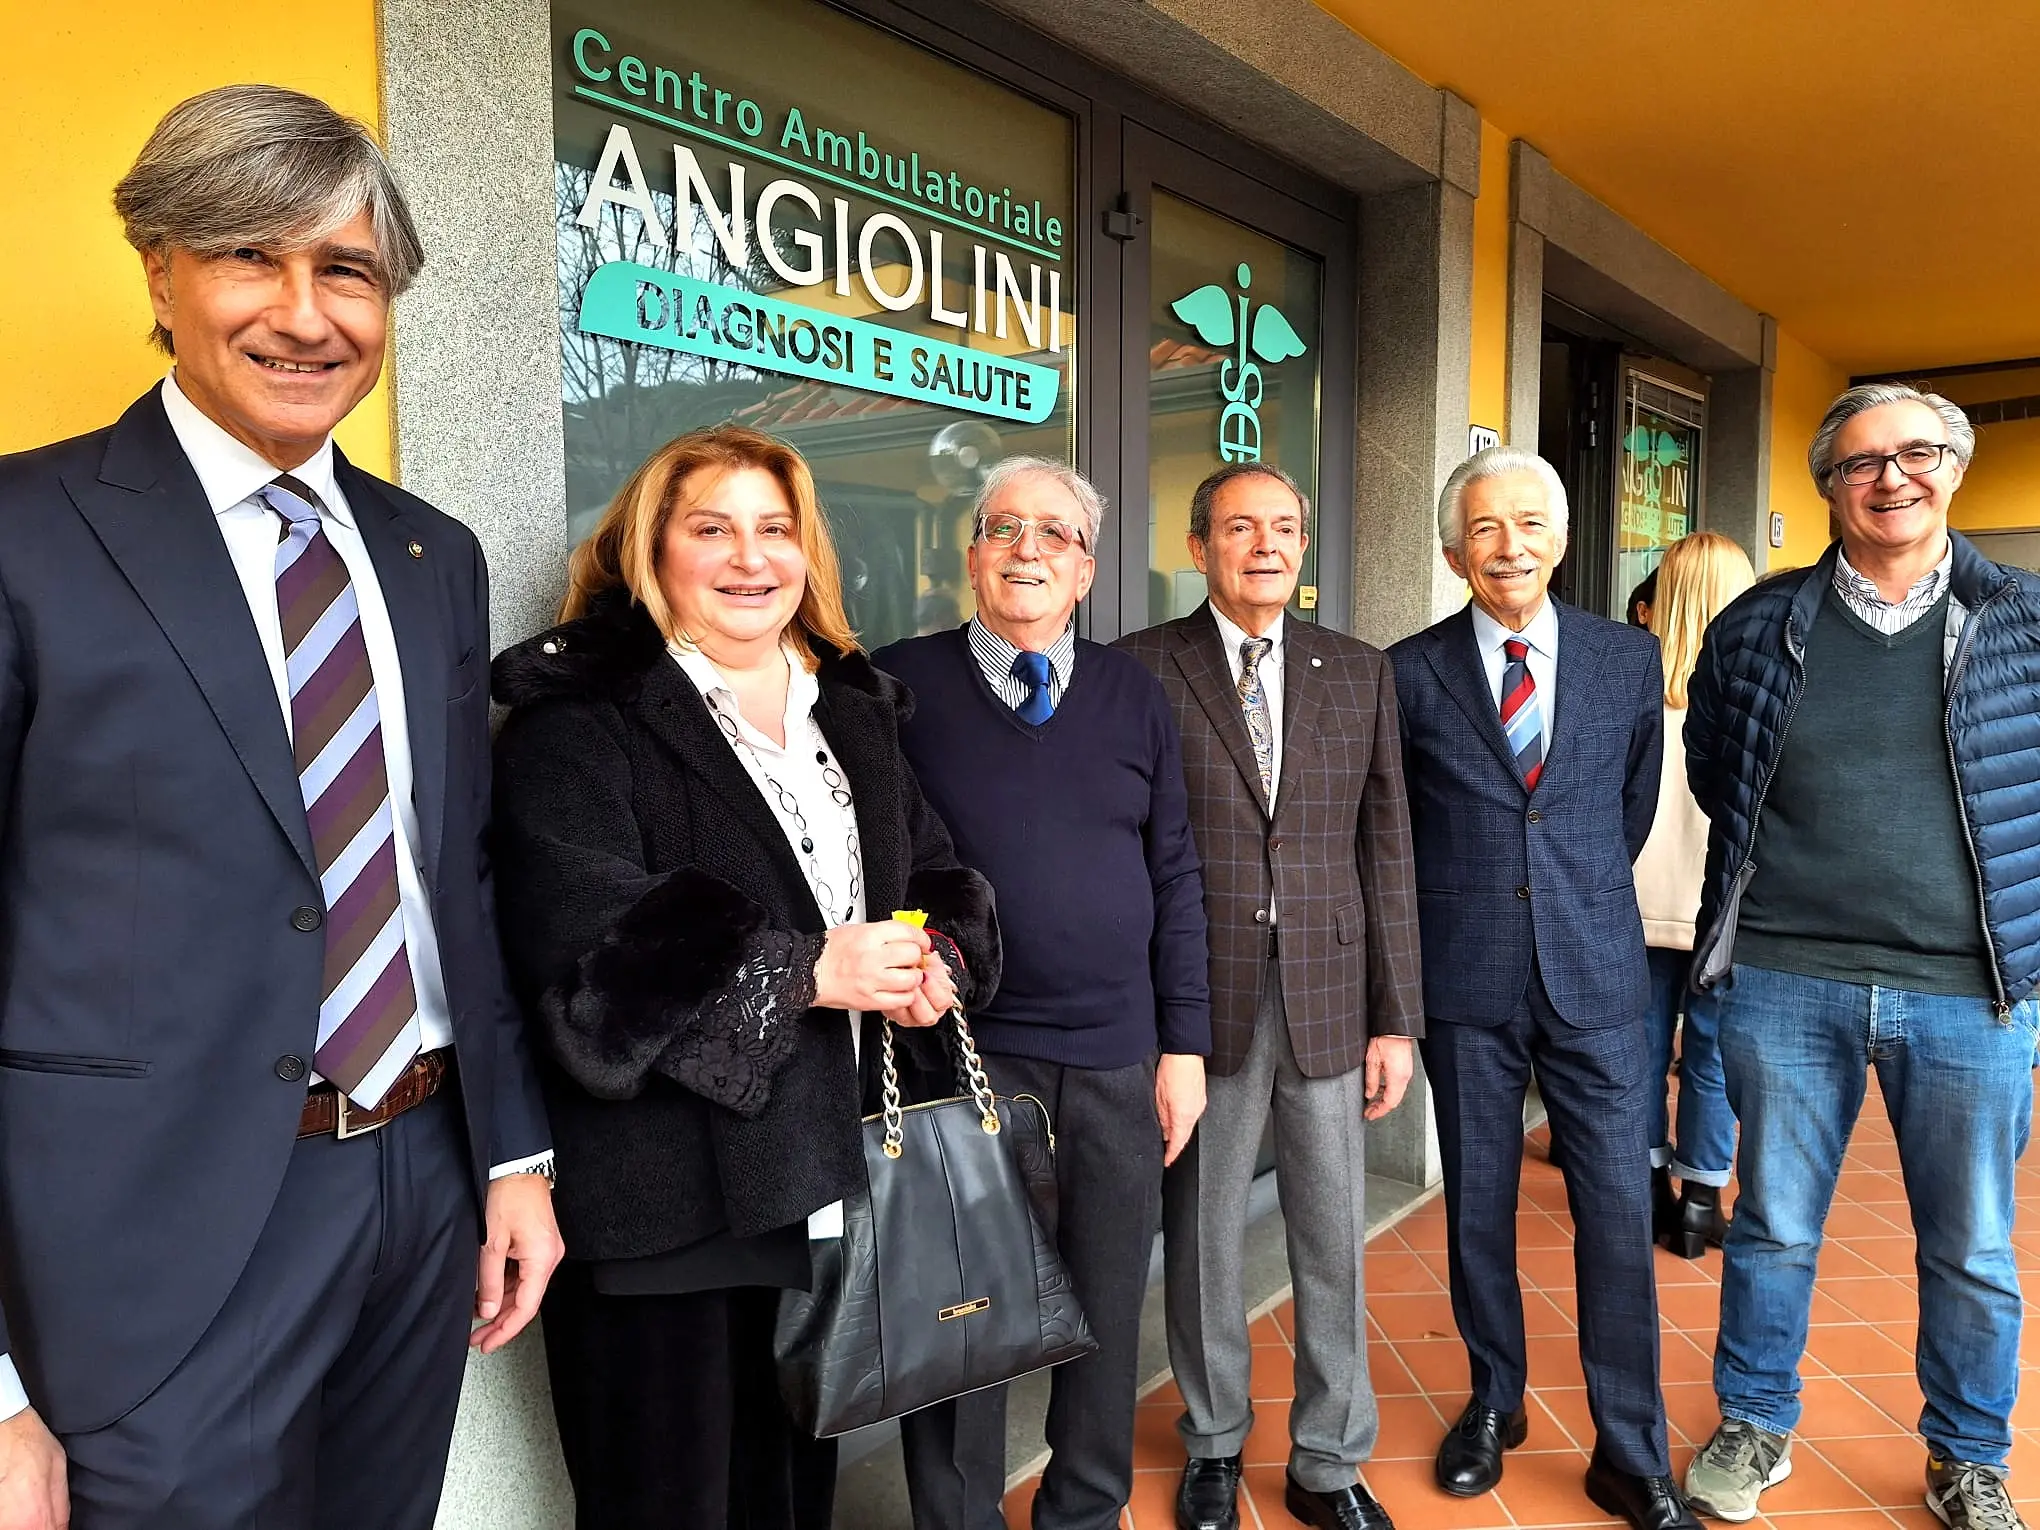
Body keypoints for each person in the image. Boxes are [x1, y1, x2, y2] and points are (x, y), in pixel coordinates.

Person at [0, 85, 565, 1530]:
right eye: (254, 254)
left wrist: (510, 1155)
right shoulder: (22, 533)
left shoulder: (431, 554)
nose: (306, 314)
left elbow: (458, 877)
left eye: (350, 270)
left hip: (420, 1188)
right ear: (162, 271)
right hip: (143, 1241)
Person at [489, 425, 1001, 1529]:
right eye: (710, 528)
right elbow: (589, 974)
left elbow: (943, 875)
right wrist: (814, 967)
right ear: (648, 550)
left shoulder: (848, 708)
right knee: (668, 1504)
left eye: (775, 529)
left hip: (824, 1174)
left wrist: (931, 961)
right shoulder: (578, 724)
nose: (749, 557)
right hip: (666, 1199)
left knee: (789, 1498)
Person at [1681, 384, 2040, 1530]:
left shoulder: (2026, 623)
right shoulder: (1756, 622)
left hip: (1969, 994)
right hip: (1787, 977)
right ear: (1827, 483)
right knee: (1775, 1224)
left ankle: (1968, 1455)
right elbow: (1714, 759)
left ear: (1955, 470)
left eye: (1918, 455)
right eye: (1863, 461)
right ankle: (1755, 1420)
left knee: (1974, 1247)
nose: (1893, 477)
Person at [876, 457, 1211, 1530]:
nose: (1029, 549)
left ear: (1087, 570)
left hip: (1117, 1058)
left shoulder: (1132, 695)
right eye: (1006, 529)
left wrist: (1185, 1047)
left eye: (1056, 535)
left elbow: (1177, 873)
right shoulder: (896, 686)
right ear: (970, 554)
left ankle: (1083, 1511)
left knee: (1107, 1313)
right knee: (962, 1322)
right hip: (965, 1063)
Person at [1388, 447, 1697, 1530]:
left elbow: (1628, 807)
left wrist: (1571, 904)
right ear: (1451, 549)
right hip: (1465, 979)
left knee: (1617, 1209)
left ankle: (1629, 1448)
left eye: (1528, 525)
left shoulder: (1627, 658)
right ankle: (1492, 1401)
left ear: (1561, 540)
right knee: (1477, 1204)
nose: (1507, 546)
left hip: (1598, 977)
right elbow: (1399, 835)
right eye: (1484, 528)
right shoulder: (1409, 670)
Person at [1116, 463, 1424, 1530]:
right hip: (1204, 1005)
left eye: (1284, 527)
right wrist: (1156, 1020)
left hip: (1334, 997)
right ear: (1197, 544)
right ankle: (1211, 1445)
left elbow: (1387, 848)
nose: (1265, 545)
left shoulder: (1359, 671)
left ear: (1304, 547)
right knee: (1200, 1231)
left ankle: (1329, 1459)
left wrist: (1397, 1018)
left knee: (1334, 1233)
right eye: (1240, 527)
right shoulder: (1140, 668)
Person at [1635, 532, 1753, 1257]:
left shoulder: (1628, 695)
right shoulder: (1753, 703)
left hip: (1634, 909)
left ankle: (1644, 1190)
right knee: (1709, 1056)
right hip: (1725, 914)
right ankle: (1701, 1204)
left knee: (1640, 1053)